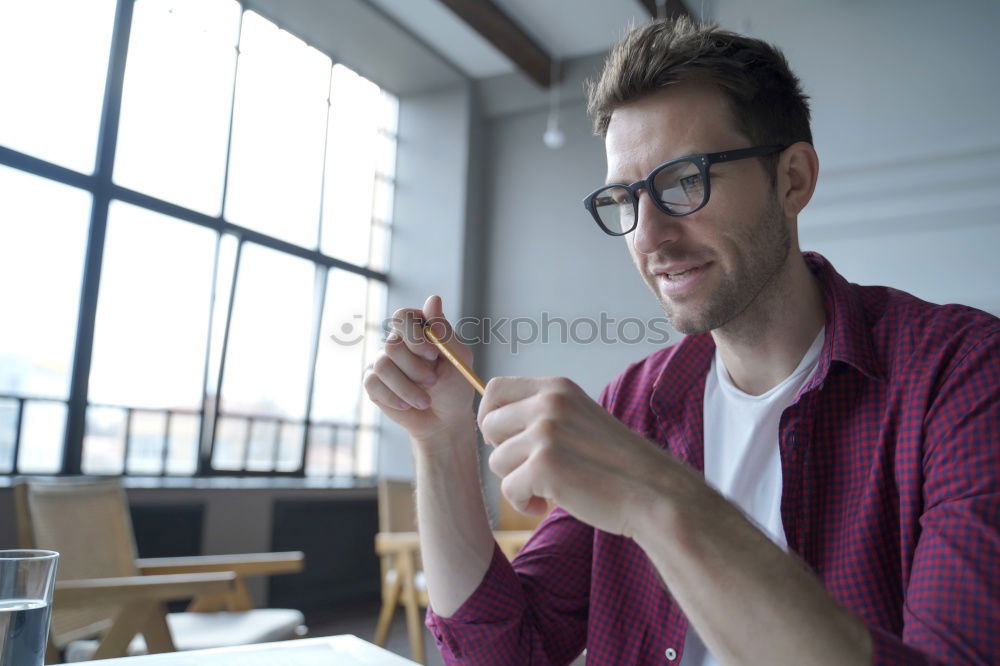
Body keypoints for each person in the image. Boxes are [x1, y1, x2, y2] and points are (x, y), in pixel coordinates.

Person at [362, 17, 999, 666]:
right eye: (625, 198)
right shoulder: (634, 404)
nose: (648, 237)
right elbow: (507, 652)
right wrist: (440, 441)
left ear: (792, 180)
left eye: (684, 181)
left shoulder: (962, 374)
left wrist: (658, 497)